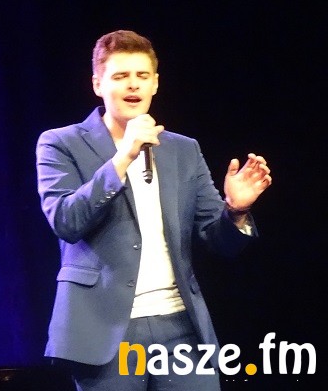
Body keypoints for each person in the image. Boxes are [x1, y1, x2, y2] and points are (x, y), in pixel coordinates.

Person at [35, 30, 271, 391]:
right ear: (98, 84)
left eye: (142, 75)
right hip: (105, 331)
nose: (133, 84)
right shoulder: (60, 143)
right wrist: (123, 157)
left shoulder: (183, 150)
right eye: (120, 76)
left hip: (180, 326)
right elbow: (66, 221)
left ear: (155, 83)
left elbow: (217, 239)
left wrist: (235, 211)